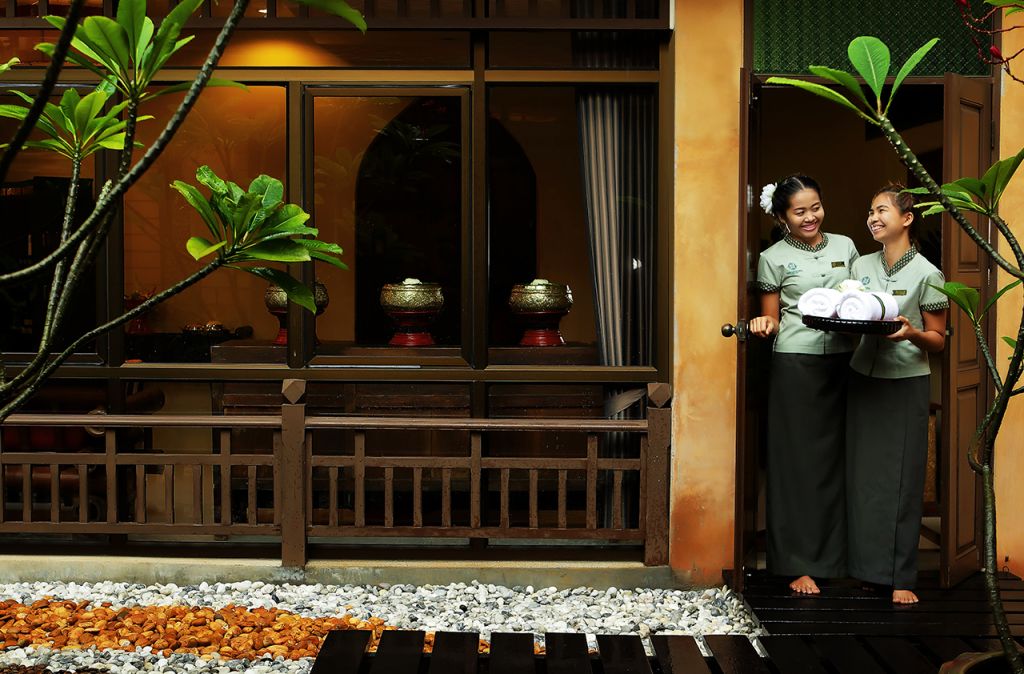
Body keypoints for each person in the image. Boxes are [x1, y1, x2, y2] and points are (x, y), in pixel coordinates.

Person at [749, 175, 860, 594]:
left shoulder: (846, 247)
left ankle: (834, 559)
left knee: (836, 461)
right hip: (796, 363)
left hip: (845, 360)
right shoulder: (772, 258)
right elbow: (772, 316)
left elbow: (859, 296)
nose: (810, 217)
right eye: (799, 211)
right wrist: (763, 324)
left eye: (815, 207)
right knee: (795, 462)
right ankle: (795, 563)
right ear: (782, 217)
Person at [846, 184, 947, 604]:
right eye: (870, 211)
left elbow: (938, 339)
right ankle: (869, 570)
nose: (873, 218)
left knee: (904, 479)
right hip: (862, 378)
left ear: (907, 218)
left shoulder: (928, 273)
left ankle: (901, 575)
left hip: (906, 381)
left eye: (881, 210)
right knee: (865, 478)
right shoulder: (859, 265)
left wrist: (911, 334)